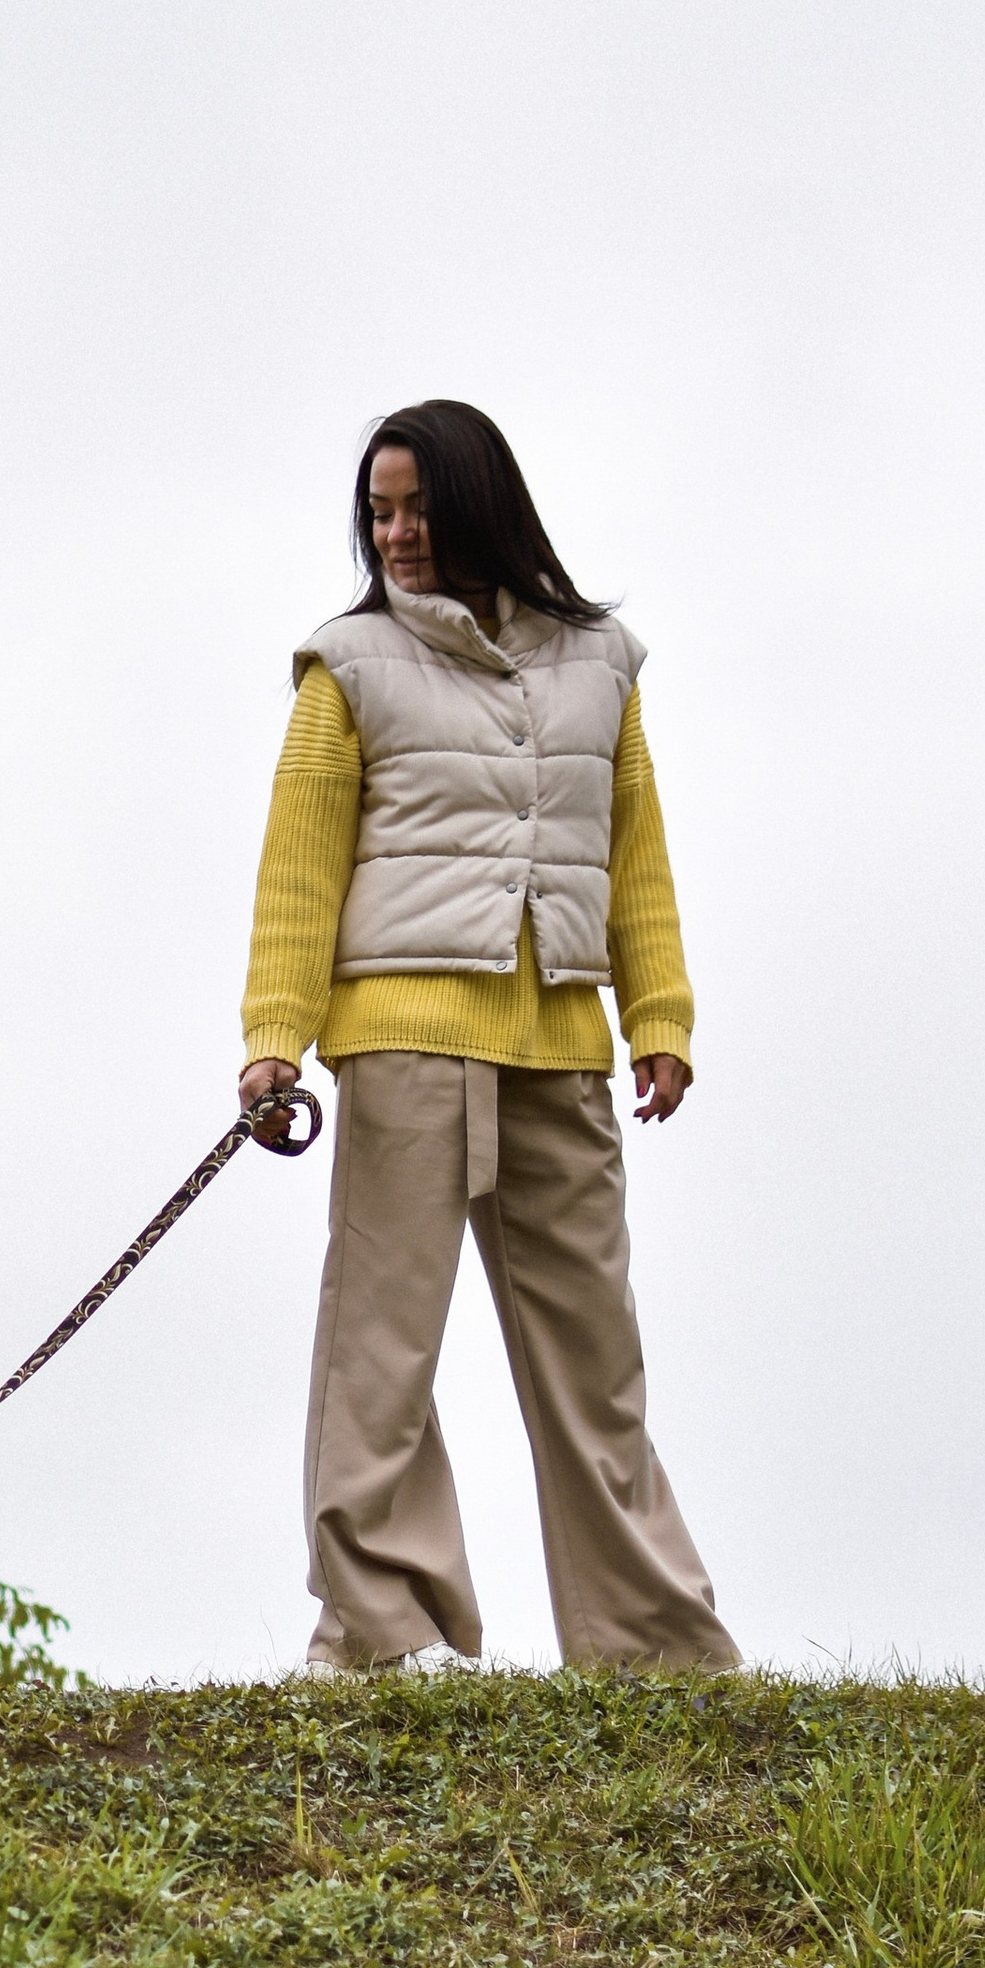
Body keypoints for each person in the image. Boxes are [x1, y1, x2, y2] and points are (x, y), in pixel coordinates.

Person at [238, 399, 738, 1676]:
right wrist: (274, 1040)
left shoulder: (599, 663)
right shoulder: (345, 664)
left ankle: (651, 1646)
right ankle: (376, 1635)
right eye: (378, 512)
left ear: (478, 506)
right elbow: (298, 873)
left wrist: (659, 1015)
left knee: (597, 1370)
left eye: (414, 508)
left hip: (562, 1050)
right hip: (402, 1041)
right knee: (381, 1358)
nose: (394, 534)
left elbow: (636, 859)